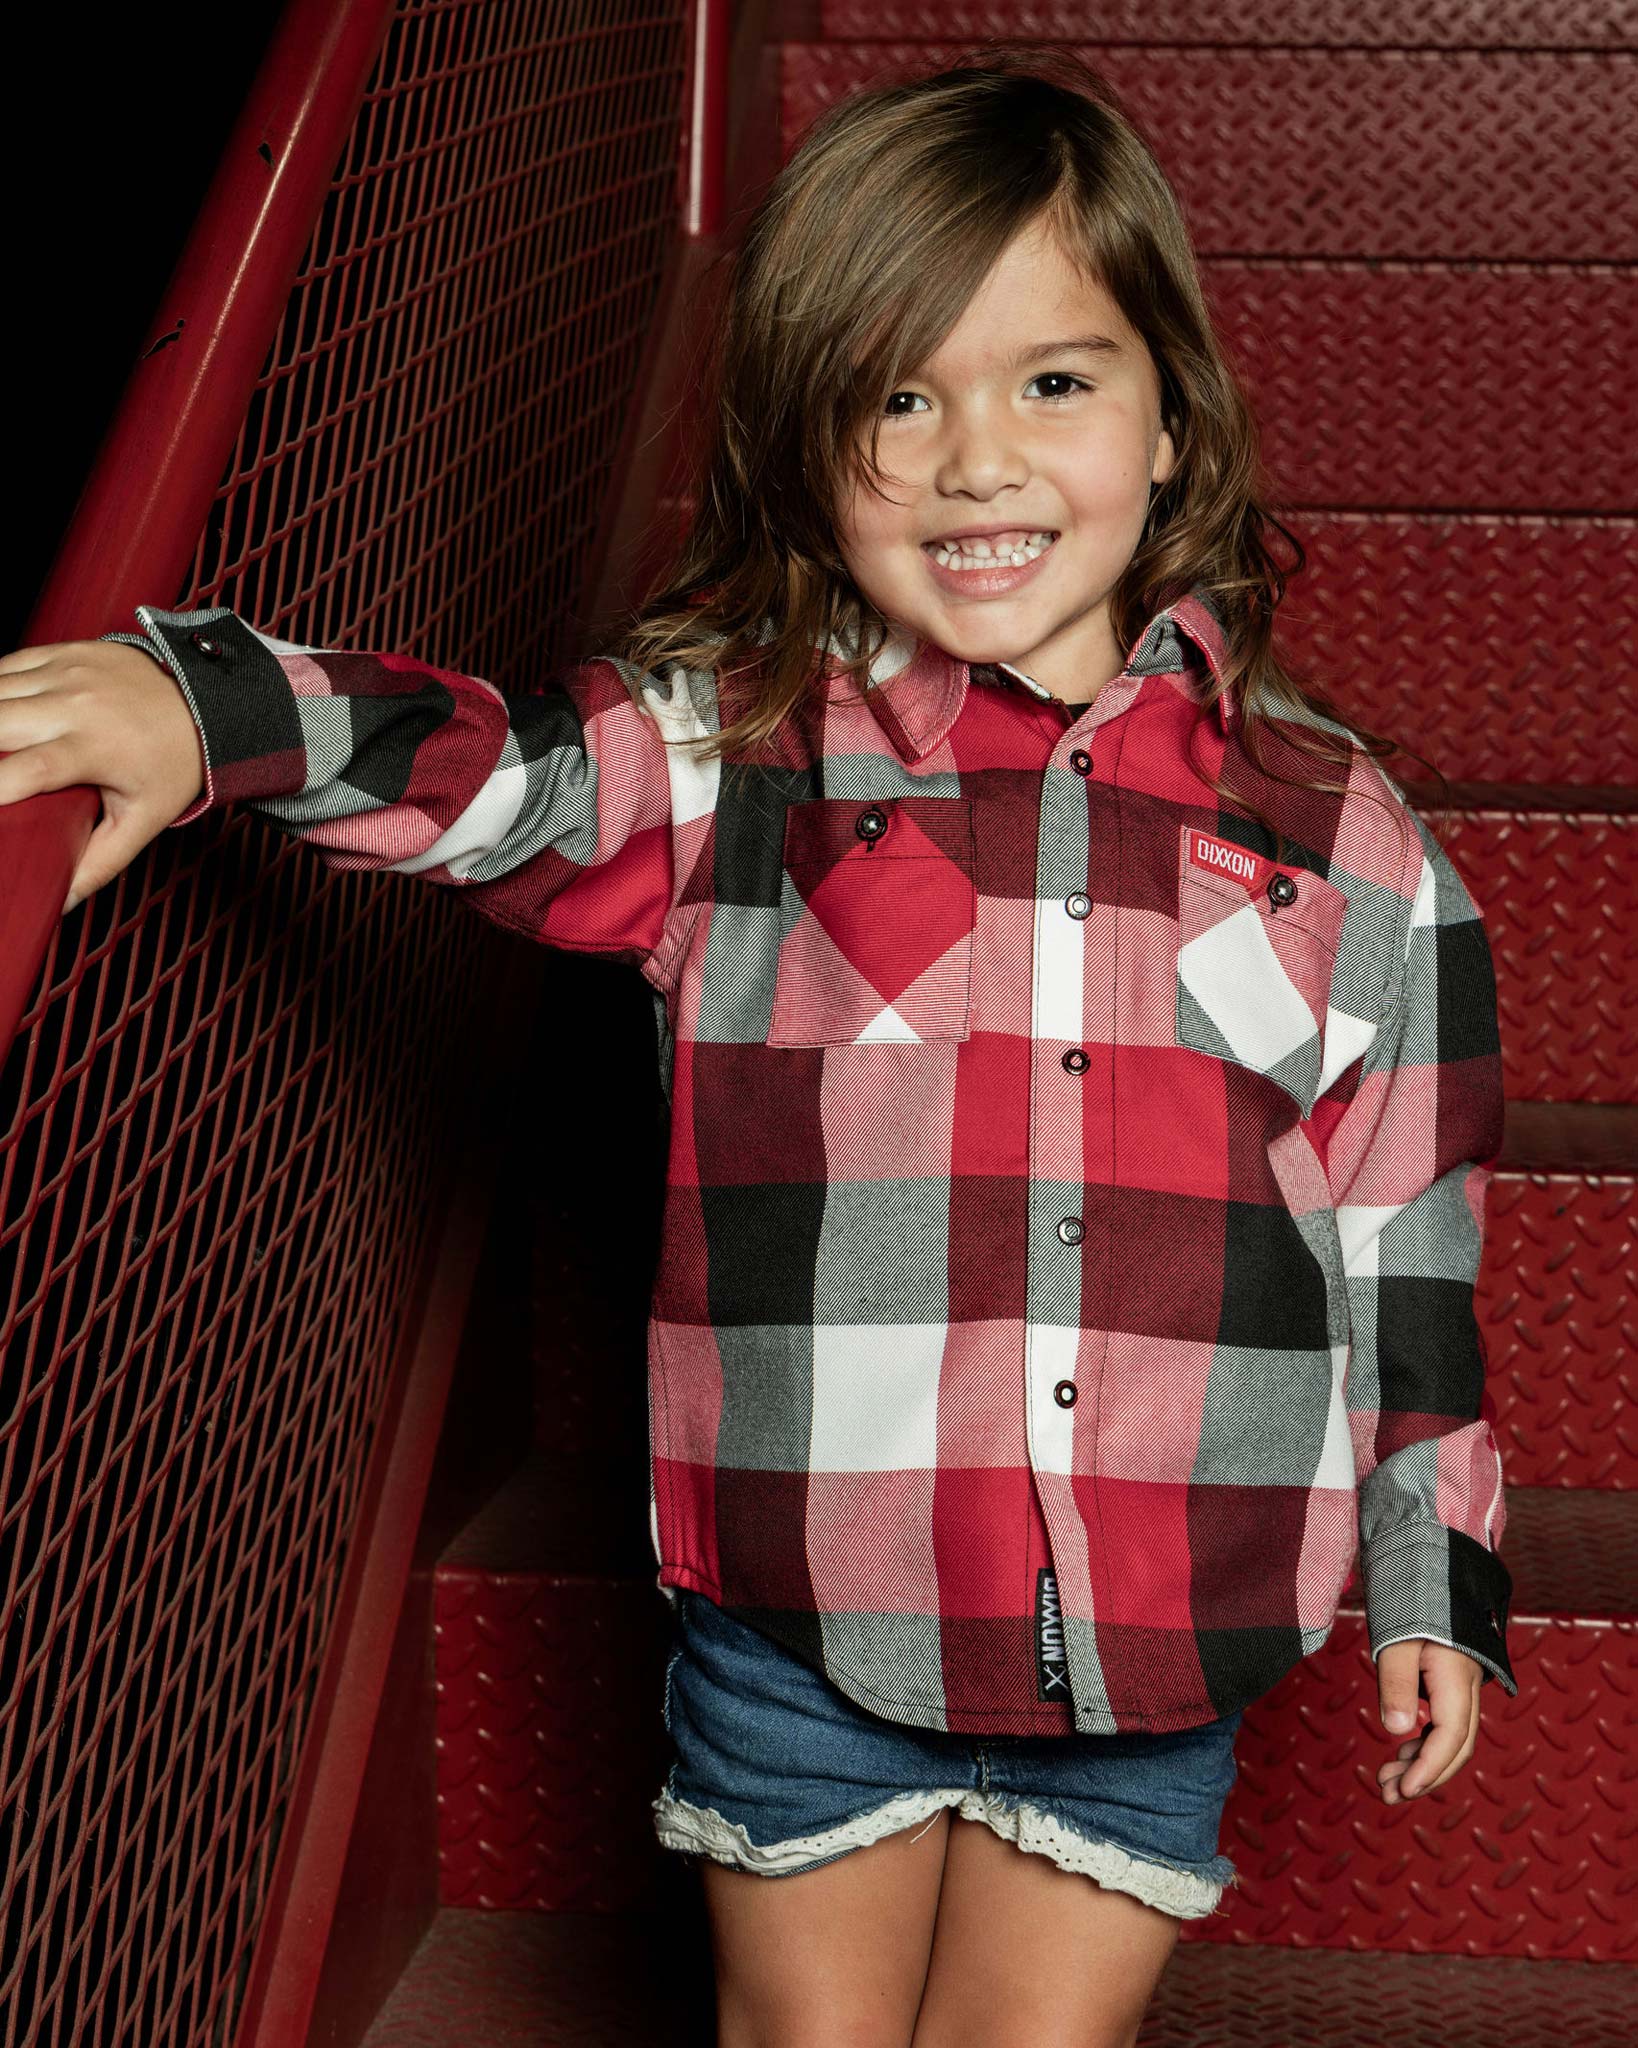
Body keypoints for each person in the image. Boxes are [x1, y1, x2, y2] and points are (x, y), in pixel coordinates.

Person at [0, 45, 1516, 2048]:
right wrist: (219, 714)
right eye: (897, 397)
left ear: (1171, 421)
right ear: (808, 447)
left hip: (1163, 1627)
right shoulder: (732, 749)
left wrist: (1431, 1570)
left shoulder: (1347, 839)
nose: (976, 461)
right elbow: (501, 778)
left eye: (1054, 382)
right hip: (808, 1616)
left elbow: (1405, 1240)